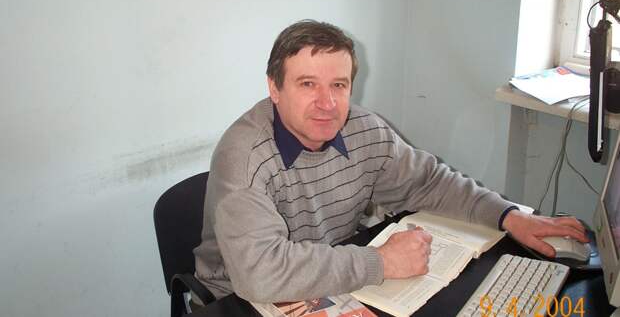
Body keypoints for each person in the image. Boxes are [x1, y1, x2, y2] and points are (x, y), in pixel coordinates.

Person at [192, 20, 588, 304]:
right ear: (274, 88)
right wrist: (380, 261)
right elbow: (259, 273)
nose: (327, 104)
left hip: (330, 279)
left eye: (339, 85)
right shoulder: (244, 156)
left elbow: (428, 182)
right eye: (308, 84)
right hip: (239, 301)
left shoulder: (363, 129)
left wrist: (508, 215)